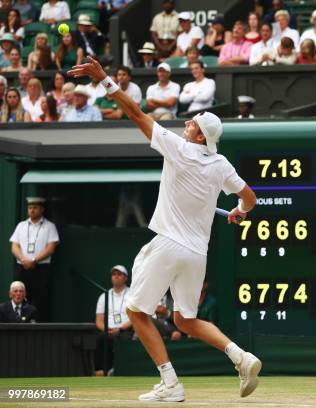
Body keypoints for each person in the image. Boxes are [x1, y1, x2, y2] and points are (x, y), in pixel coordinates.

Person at [68, 55, 261, 402]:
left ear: (200, 137)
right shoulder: (220, 164)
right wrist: (239, 211)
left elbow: (137, 113)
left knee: (135, 311)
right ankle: (241, 357)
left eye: (193, 123)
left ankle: (171, 383)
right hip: (196, 253)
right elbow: (250, 198)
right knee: (185, 320)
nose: (187, 123)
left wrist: (104, 79)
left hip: (169, 245)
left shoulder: (179, 148)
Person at [9, 197, 59, 322]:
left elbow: (51, 248)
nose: (32, 210)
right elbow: (14, 246)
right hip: (22, 267)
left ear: (42, 209)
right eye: (30, 208)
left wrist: (34, 260)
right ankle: (18, 322)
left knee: (42, 298)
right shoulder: (21, 226)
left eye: (35, 208)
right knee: (20, 296)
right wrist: (23, 259)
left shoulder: (50, 226)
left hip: (41, 268)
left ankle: (40, 325)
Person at [94, 265, 133, 375]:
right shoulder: (104, 295)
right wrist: (107, 329)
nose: (116, 277)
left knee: (124, 339)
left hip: (127, 330)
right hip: (108, 331)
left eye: (119, 274)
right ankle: (100, 371)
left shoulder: (132, 294)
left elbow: (135, 318)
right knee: (100, 339)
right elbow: (99, 320)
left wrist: (120, 329)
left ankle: (120, 371)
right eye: (114, 274)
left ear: (125, 278)